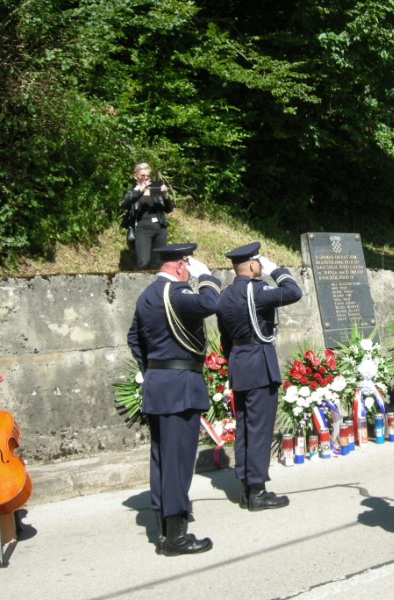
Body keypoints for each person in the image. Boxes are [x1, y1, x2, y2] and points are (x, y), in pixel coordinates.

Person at [127, 243, 220, 555]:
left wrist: (153, 370)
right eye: (189, 268)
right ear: (182, 266)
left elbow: (133, 338)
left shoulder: (146, 296)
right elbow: (211, 303)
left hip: (159, 385)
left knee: (162, 458)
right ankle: (176, 537)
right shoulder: (177, 294)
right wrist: (207, 278)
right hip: (180, 386)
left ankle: (163, 522)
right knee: (178, 460)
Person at [216, 242, 303, 511]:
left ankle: (245, 486)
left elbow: (225, 337)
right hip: (259, 367)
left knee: (244, 427)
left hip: (239, 365)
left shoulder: (225, 295)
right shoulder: (258, 291)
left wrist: (236, 361)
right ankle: (257, 491)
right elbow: (293, 292)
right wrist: (278, 271)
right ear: (253, 265)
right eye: (260, 264)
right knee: (259, 430)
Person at [120, 163, 173, 270]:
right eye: (142, 175)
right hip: (142, 228)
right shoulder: (132, 191)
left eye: (148, 176)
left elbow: (168, 209)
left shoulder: (155, 189)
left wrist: (165, 195)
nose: (146, 178)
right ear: (135, 176)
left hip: (159, 227)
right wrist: (141, 190)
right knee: (143, 263)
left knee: (158, 264)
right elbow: (124, 203)